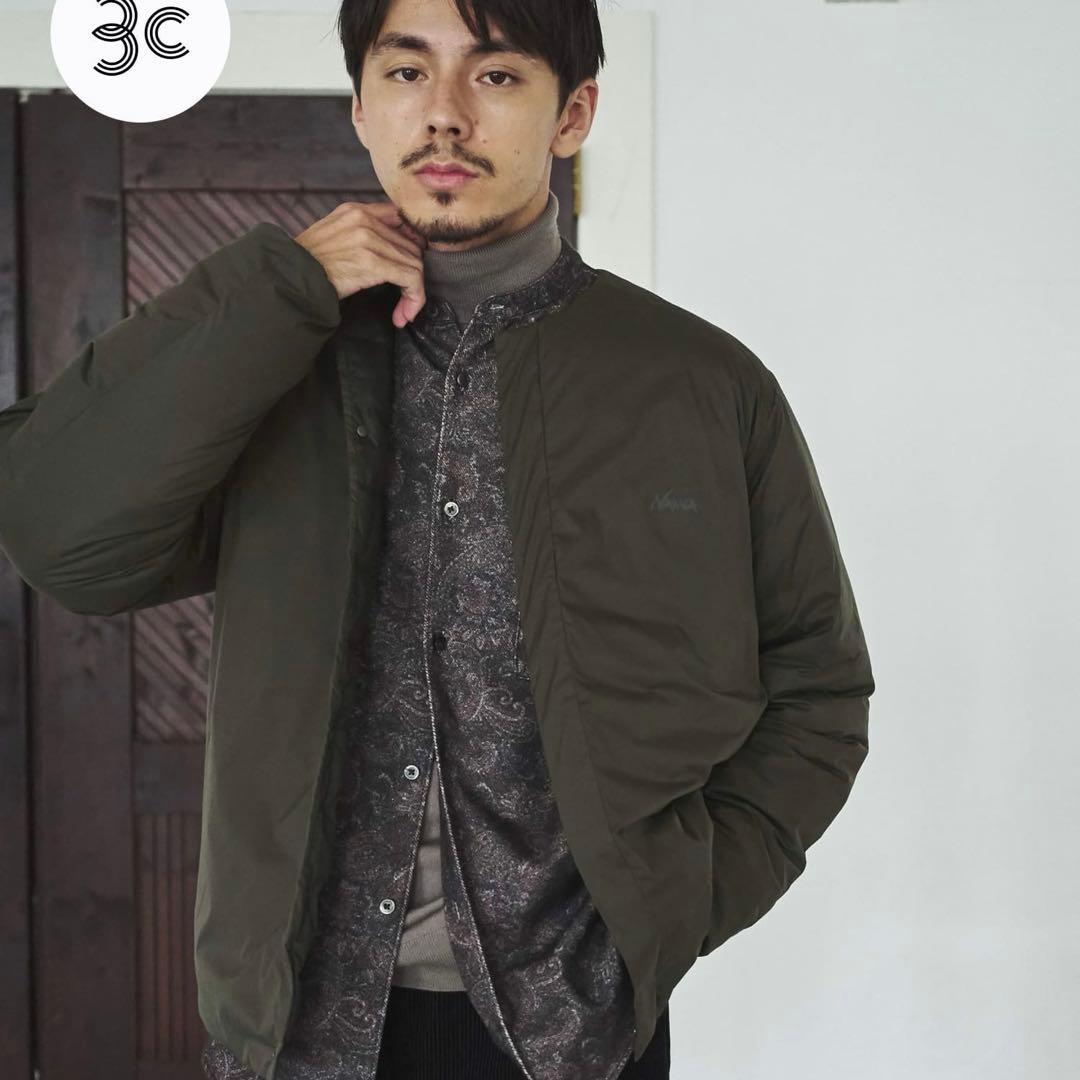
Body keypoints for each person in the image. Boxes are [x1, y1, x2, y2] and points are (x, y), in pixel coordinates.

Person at [0, 1, 875, 1078]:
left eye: (496, 76)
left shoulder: (701, 384)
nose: (446, 115)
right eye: (408, 73)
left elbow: (817, 687)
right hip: (298, 1028)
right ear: (361, 109)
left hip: (574, 1030)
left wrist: (675, 903)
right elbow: (58, 532)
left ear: (573, 114)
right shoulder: (272, 361)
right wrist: (283, 287)